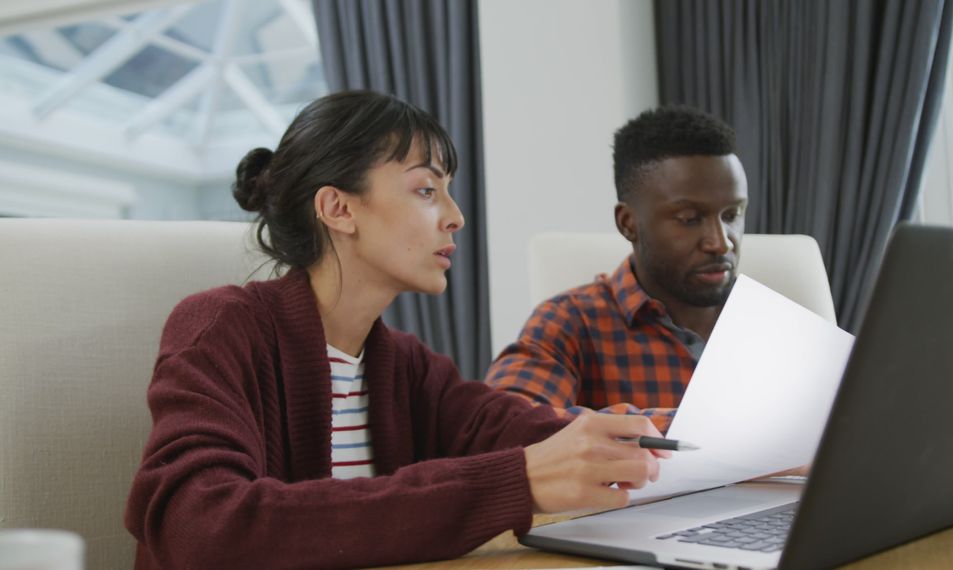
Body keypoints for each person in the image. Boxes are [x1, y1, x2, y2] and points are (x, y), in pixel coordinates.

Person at [124, 90, 668, 570]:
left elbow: (525, 432)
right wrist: (513, 483)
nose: (455, 216)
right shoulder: (220, 328)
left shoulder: (406, 365)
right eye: (426, 190)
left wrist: (671, 438)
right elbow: (200, 528)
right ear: (338, 208)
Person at [485, 106, 748, 434]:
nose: (721, 243)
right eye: (689, 219)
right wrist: (717, 430)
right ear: (628, 223)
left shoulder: (776, 324)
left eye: (732, 214)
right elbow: (506, 428)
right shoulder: (569, 322)